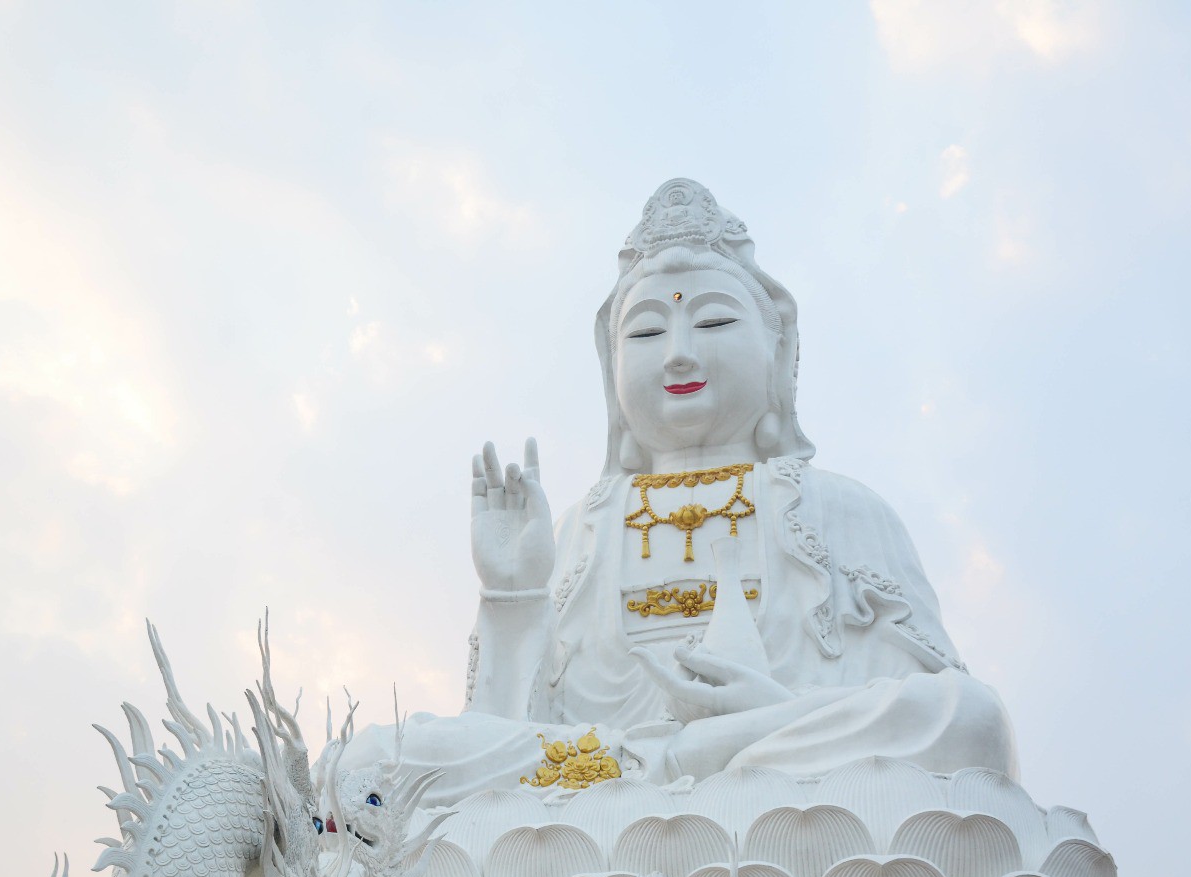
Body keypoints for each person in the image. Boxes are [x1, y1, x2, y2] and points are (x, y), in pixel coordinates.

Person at [340, 179, 1015, 806]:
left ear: (777, 353)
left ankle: (700, 756)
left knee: (968, 715)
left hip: (793, 778)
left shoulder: (839, 506)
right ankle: (681, 762)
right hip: (604, 771)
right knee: (369, 761)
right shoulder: (587, 525)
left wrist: (772, 709)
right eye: (648, 332)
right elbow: (511, 733)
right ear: (612, 367)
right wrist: (513, 596)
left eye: (714, 323)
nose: (679, 354)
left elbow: (926, 706)